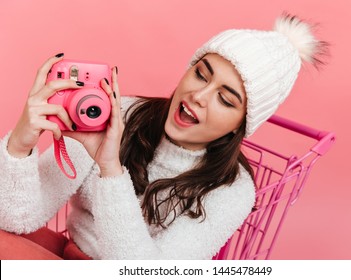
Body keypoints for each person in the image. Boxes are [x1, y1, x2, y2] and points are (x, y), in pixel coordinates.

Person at [0, 14, 327, 259]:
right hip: (70, 252)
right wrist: (20, 145)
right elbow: (17, 217)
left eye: (226, 99)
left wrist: (110, 169)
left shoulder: (233, 191)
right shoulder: (117, 114)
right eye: (201, 73)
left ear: (239, 126)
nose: (199, 95)